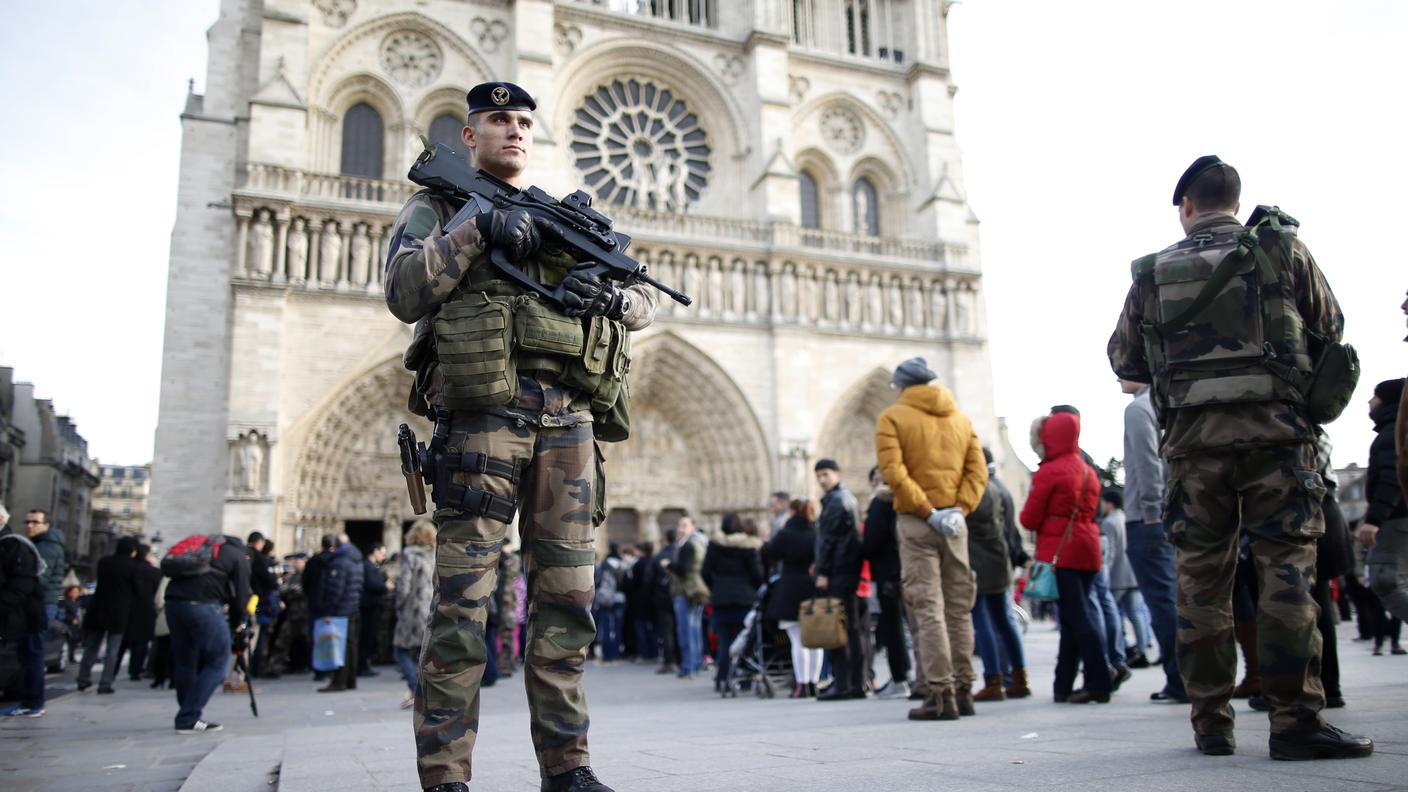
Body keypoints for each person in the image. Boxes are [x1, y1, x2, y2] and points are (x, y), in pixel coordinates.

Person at [385, 81, 659, 792]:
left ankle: (569, 769)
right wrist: (475, 229)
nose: (512, 131)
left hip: (568, 424)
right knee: (461, 612)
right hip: (481, 420)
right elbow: (404, 292)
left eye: (523, 122)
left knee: (568, 605)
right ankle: (446, 777)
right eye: (497, 120)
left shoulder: (558, 217)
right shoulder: (438, 204)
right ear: (469, 133)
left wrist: (619, 301)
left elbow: (646, 296)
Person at [1108, 155, 1371, 759]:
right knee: (1285, 576)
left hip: (1195, 449)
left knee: (1201, 582)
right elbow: (1329, 324)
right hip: (1279, 442)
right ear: (1235, 199)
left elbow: (1126, 361)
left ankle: (1211, 723)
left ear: (1187, 207)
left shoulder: (1153, 271)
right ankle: (1295, 721)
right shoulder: (1283, 251)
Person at [875, 357, 987, 720]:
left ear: (902, 385)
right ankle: (965, 688)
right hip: (955, 523)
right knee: (958, 608)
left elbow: (894, 473)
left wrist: (927, 511)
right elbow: (977, 472)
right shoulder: (961, 419)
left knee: (928, 608)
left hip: (918, 521)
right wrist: (959, 510)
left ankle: (941, 694)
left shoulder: (893, 418)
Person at [1023, 412, 1111, 705]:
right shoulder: (1087, 469)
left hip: (1061, 551)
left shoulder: (1050, 471)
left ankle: (1100, 681)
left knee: (1077, 618)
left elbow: (1029, 518)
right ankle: (1063, 685)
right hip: (1088, 547)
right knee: (1074, 618)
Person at [1117, 377, 1187, 703]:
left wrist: (1149, 509)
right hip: (1171, 513)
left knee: (1162, 602)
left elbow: (1147, 462)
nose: (1117, 374)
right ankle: (1189, 675)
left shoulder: (1137, 409)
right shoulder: (1166, 402)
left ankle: (1180, 678)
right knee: (1173, 598)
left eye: (1122, 367)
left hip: (1146, 519)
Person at [164, 534, 252, 733]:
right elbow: (241, 596)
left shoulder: (204, 548)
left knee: (185, 660)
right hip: (203, 606)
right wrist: (239, 622)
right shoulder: (238, 557)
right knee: (219, 661)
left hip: (173, 604)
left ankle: (187, 713)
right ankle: (188, 716)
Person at [967, 451, 1029, 703]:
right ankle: (1018, 676)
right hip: (999, 560)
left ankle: (994, 679)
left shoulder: (981, 489)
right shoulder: (1000, 486)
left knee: (983, 622)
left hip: (982, 563)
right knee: (1005, 620)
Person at [811, 459, 866, 702]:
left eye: (825, 474)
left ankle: (843, 683)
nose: (822, 480)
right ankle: (856, 683)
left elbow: (829, 540)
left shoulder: (836, 501)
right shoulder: (847, 499)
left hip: (838, 573)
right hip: (847, 571)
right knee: (852, 629)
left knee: (838, 629)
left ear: (837, 474)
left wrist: (823, 572)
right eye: (819, 476)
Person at [1360, 379, 1408, 623]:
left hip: (1395, 519)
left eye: (1375, 395)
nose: (1370, 401)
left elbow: (1393, 477)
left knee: (1385, 581)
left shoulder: (1392, 433)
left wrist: (1374, 520)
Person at [861, 467, 911, 699]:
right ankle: (912, 677)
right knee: (911, 626)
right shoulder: (905, 499)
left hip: (887, 574)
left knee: (894, 628)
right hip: (907, 570)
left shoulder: (880, 504)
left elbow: (871, 541)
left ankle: (900, 677)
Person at [701, 513, 764, 692]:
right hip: (744, 597)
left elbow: (705, 571)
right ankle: (744, 678)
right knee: (745, 640)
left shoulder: (715, 546)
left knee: (724, 640)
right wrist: (752, 589)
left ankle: (723, 678)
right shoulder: (749, 546)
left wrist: (715, 587)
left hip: (721, 598)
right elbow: (757, 573)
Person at [766, 499, 821, 697]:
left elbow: (771, 554)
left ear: (791, 511)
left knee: (797, 640)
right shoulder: (816, 532)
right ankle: (815, 682)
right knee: (815, 639)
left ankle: (802, 684)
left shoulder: (786, 533)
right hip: (812, 586)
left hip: (790, 587)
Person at [0, 505, 49, 718]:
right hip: (22, 612)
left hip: (26, 614)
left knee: (31, 658)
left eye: (35, 522)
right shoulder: (13, 543)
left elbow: (21, 583)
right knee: (27, 658)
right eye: (27, 522)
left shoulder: (13, 544)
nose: (29, 526)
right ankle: (30, 702)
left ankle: (33, 703)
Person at [78, 536, 139, 693]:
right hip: (119, 611)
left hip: (98, 607)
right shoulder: (133, 566)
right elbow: (135, 590)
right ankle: (105, 683)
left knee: (91, 647)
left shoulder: (104, 562)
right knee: (113, 650)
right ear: (132, 550)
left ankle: (83, 678)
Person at [1100, 491, 1153, 670]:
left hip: (1117, 574)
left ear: (1109, 504)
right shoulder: (1125, 517)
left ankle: (1119, 650)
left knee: (1113, 614)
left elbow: (1111, 551)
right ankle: (1141, 648)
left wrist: (1105, 572)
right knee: (1135, 614)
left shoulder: (1109, 522)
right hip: (1133, 571)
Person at [311, 534, 363, 692]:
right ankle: (350, 679)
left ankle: (339, 681)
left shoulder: (340, 562)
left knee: (339, 645)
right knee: (351, 645)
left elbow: (335, 589)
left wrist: (328, 610)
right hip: (352, 606)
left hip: (340, 609)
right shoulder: (356, 560)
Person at [1091, 492, 1132, 690]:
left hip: (1091, 540)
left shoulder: (1108, 522)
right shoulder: (1120, 517)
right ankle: (1117, 660)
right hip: (1120, 569)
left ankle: (1106, 663)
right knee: (1108, 606)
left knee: (1096, 606)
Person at [395, 521, 437, 710]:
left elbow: (404, 584)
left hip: (413, 609)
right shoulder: (437, 554)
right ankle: (427, 693)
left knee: (401, 650)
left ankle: (415, 690)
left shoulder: (410, 555)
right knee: (425, 652)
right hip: (432, 608)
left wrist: (399, 605)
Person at [666, 517, 709, 679]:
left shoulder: (688, 545)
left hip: (686, 591)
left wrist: (668, 566)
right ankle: (696, 664)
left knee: (687, 630)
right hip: (696, 590)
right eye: (679, 525)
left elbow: (683, 569)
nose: (680, 528)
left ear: (692, 527)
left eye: (684, 525)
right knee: (695, 629)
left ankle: (689, 665)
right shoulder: (700, 544)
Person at [122, 543, 161, 681]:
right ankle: (135, 672)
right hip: (145, 611)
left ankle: (111, 672)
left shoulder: (125, 567)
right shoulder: (153, 572)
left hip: (124, 610)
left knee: (119, 644)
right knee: (140, 645)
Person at [592, 545, 628, 662]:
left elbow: (597, 582)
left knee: (605, 626)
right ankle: (616, 652)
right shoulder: (622, 565)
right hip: (619, 598)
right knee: (618, 626)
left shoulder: (604, 565)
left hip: (605, 600)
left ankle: (607, 654)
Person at [359, 542, 389, 677]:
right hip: (369, 607)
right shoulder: (369, 567)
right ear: (375, 551)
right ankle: (363, 664)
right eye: (382, 553)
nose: (383, 556)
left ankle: (365, 663)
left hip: (371, 606)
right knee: (367, 636)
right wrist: (385, 586)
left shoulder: (371, 567)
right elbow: (373, 585)